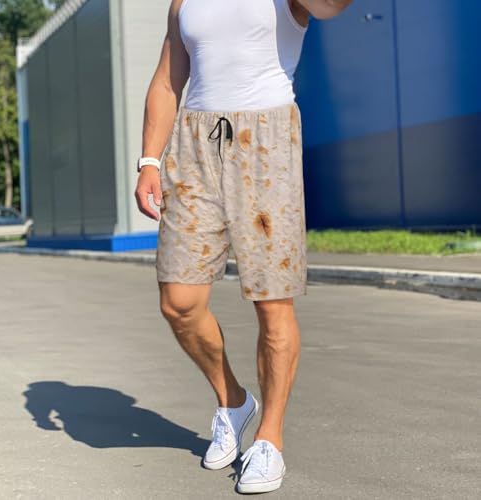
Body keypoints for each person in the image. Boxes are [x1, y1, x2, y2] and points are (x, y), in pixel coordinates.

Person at [135, 0, 353, 494]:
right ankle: (233, 400)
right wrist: (149, 160)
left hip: (265, 139)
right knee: (179, 302)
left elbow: (332, 7)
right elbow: (168, 81)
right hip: (193, 142)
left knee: (272, 303)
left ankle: (269, 438)